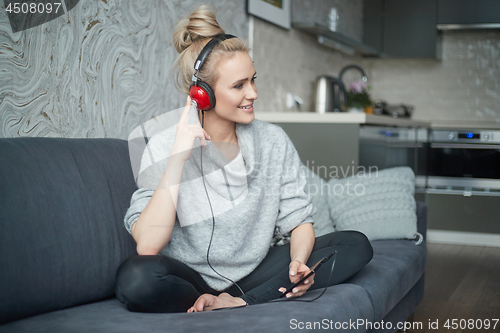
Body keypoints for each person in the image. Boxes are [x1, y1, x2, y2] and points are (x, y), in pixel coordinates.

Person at [114, 4, 373, 313]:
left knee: (355, 244)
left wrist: (299, 264)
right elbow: (148, 246)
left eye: (253, 79)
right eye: (239, 85)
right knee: (135, 279)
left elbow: (299, 220)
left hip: (256, 273)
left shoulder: (273, 140)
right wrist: (178, 159)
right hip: (191, 277)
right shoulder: (162, 145)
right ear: (202, 94)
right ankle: (207, 299)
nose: (253, 93)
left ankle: (238, 303)